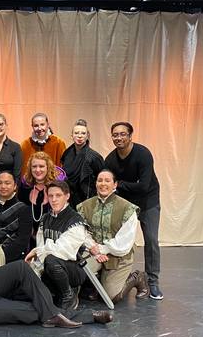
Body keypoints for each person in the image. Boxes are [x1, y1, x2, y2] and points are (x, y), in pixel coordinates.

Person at [105, 122, 163, 300]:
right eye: (115, 134)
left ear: (130, 136)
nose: (119, 138)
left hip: (148, 201)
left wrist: (120, 184)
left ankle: (152, 281)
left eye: (123, 134)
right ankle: (115, 279)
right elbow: (109, 184)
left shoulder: (143, 154)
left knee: (151, 240)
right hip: (125, 203)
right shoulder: (110, 160)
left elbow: (144, 186)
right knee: (116, 240)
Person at [77, 170, 149, 303]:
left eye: (107, 180)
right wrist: (93, 248)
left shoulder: (127, 209)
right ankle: (98, 281)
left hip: (118, 254)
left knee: (111, 297)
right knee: (77, 272)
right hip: (93, 251)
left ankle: (137, 277)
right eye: (100, 180)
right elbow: (81, 232)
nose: (103, 184)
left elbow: (124, 243)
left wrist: (101, 249)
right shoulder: (84, 206)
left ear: (115, 185)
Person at [25, 181, 86, 311]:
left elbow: (63, 251)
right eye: (51, 196)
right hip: (50, 269)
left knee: (51, 260)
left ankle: (68, 295)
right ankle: (56, 291)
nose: (54, 199)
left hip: (73, 269)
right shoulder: (45, 218)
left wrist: (37, 251)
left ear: (67, 196)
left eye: (58, 195)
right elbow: (41, 246)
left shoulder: (76, 220)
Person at [0, 172, 31, 263]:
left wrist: (1, 256)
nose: (3, 186)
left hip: (13, 259)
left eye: (7, 183)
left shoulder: (24, 209)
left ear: (15, 186)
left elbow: (22, 239)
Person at [61, 119, 105, 209]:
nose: (80, 136)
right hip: (69, 197)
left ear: (87, 136)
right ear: (72, 136)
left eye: (83, 133)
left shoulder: (94, 157)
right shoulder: (66, 154)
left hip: (87, 198)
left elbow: (102, 178)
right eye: (76, 133)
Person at [17, 151, 58, 248]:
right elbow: (19, 213)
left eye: (41, 166)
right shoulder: (24, 187)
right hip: (27, 241)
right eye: (34, 166)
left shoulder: (57, 187)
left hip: (52, 242)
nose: (37, 170)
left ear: (48, 167)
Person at [20, 113, 66, 179]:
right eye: (36, 125)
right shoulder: (25, 144)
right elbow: (23, 169)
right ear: (32, 126)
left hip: (53, 182)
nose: (39, 128)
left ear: (48, 125)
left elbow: (62, 167)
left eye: (42, 124)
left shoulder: (58, 143)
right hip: (32, 183)